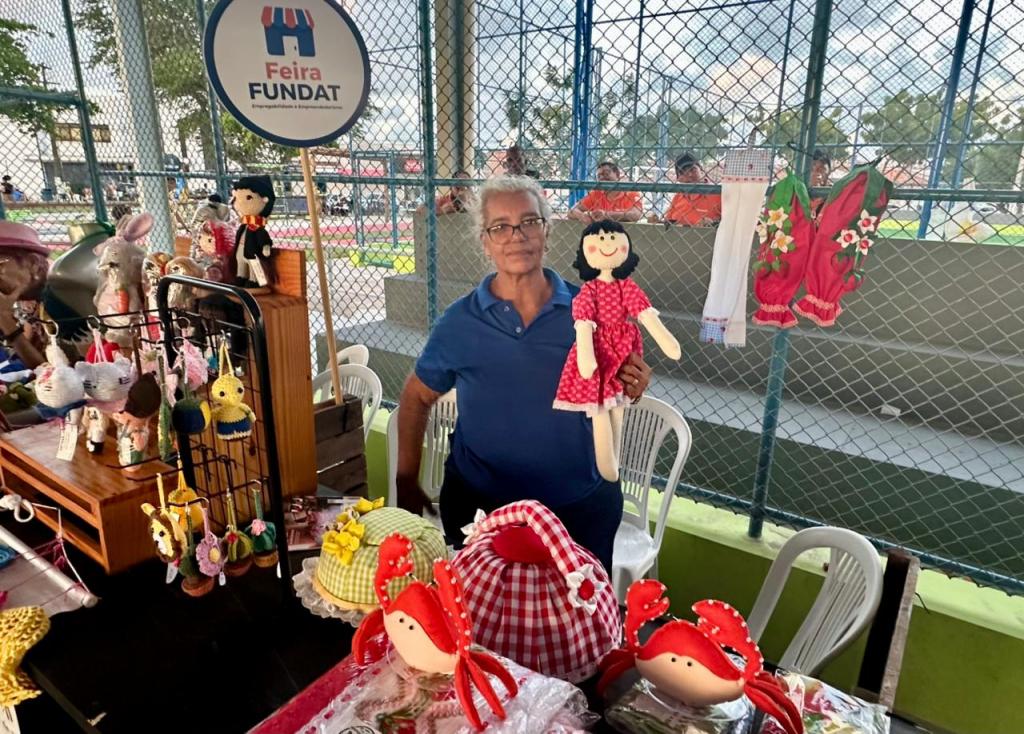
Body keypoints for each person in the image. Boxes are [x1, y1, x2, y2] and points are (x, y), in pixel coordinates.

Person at [395, 175, 653, 575]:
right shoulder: (459, 322)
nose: (516, 236)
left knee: (576, 611)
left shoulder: (592, 313)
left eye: (529, 222)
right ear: (485, 241)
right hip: (482, 508)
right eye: (500, 226)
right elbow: (416, 397)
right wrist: (406, 480)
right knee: (478, 610)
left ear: (547, 233)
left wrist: (634, 382)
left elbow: (618, 383)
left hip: (578, 509)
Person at [0, 222, 52, 369]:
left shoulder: (62, 298)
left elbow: (60, 377)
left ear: (33, 264)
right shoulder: (25, 299)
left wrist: (5, 320)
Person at [650, 153, 722, 226]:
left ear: (701, 170)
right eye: (683, 172)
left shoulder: (717, 193)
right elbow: (669, 222)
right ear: (678, 178)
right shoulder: (678, 196)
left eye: (693, 169)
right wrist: (656, 223)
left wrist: (713, 224)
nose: (690, 174)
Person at [568, 161, 643, 223]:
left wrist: (607, 215)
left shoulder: (631, 193)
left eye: (606, 174)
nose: (602, 178)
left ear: (617, 175)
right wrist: (583, 216)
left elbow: (636, 215)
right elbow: (572, 211)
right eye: (598, 176)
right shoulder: (596, 193)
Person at [809, 149, 831, 219]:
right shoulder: (797, 192)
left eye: (821, 169)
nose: (816, 173)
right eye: (811, 169)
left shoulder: (834, 193)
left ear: (829, 172)